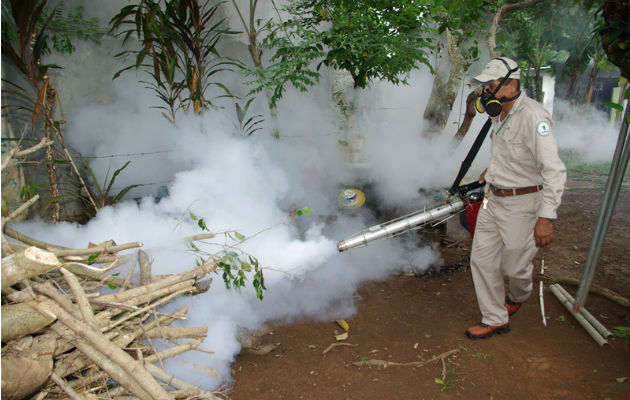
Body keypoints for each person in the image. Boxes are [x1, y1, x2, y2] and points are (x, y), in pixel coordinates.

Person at [465, 57, 567, 339]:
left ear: (511, 85)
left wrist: (546, 217)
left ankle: (520, 294)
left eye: (490, 85)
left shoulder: (535, 117)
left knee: (514, 267)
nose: (485, 91)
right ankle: (494, 318)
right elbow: (512, 154)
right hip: (492, 200)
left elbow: (554, 170)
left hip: (523, 205)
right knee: (482, 260)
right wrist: (492, 170)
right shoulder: (498, 115)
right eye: (484, 85)